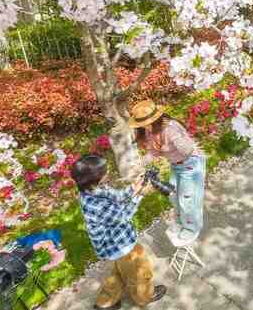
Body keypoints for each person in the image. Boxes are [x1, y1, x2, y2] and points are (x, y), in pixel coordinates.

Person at [72, 154, 167, 310]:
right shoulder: (97, 203)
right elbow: (124, 215)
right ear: (95, 178)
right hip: (122, 244)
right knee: (140, 271)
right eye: (105, 171)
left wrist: (135, 187)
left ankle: (105, 303)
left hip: (113, 245)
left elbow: (117, 196)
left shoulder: (92, 190)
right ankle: (145, 296)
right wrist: (140, 194)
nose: (108, 172)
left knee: (119, 273)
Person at [132, 99, 207, 245]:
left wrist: (171, 145)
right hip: (176, 166)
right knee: (174, 196)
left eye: (144, 124)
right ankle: (181, 221)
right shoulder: (149, 131)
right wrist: (141, 164)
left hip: (190, 164)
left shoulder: (170, 129)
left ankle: (192, 228)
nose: (143, 127)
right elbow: (153, 151)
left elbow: (188, 150)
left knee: (187, 199)